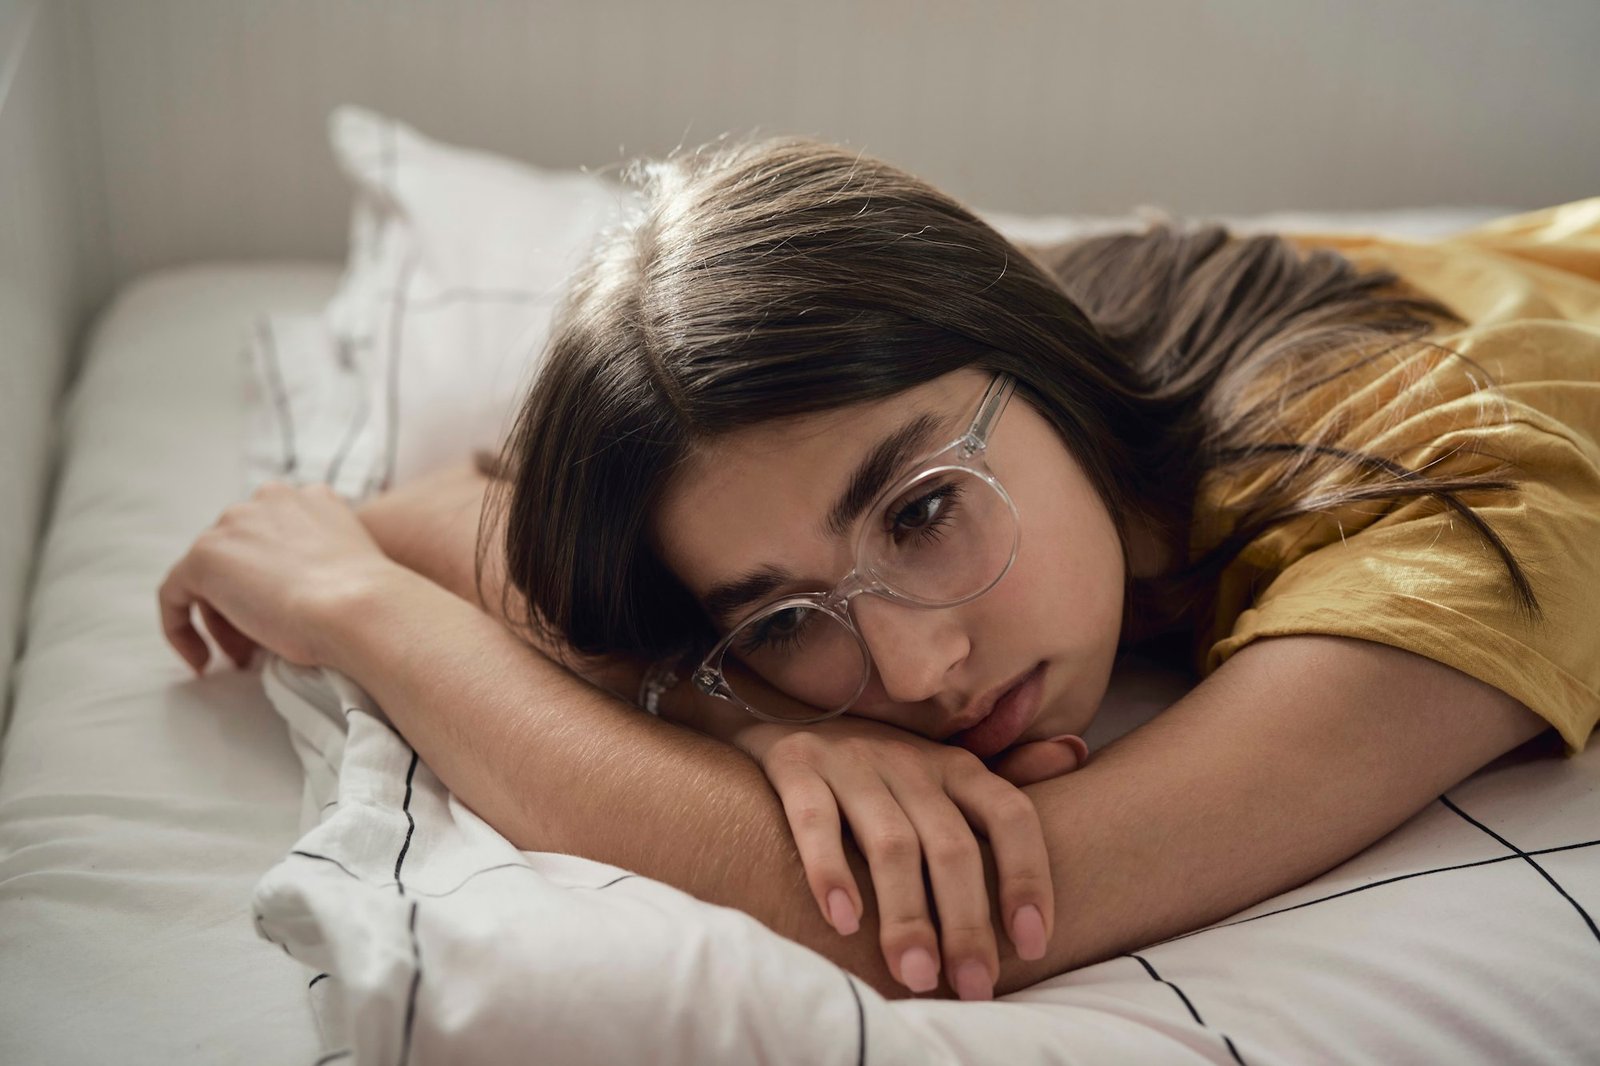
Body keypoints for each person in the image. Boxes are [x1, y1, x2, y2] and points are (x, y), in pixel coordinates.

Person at [158, 136, 1599, 1004]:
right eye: (786, 615)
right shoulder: (985, 365)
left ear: (1030, 353)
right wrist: (760, 717)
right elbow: (456, 509)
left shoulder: (1468, 490)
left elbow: (982, 914)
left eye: (920, 516)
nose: (915, 674)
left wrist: (362, 615)